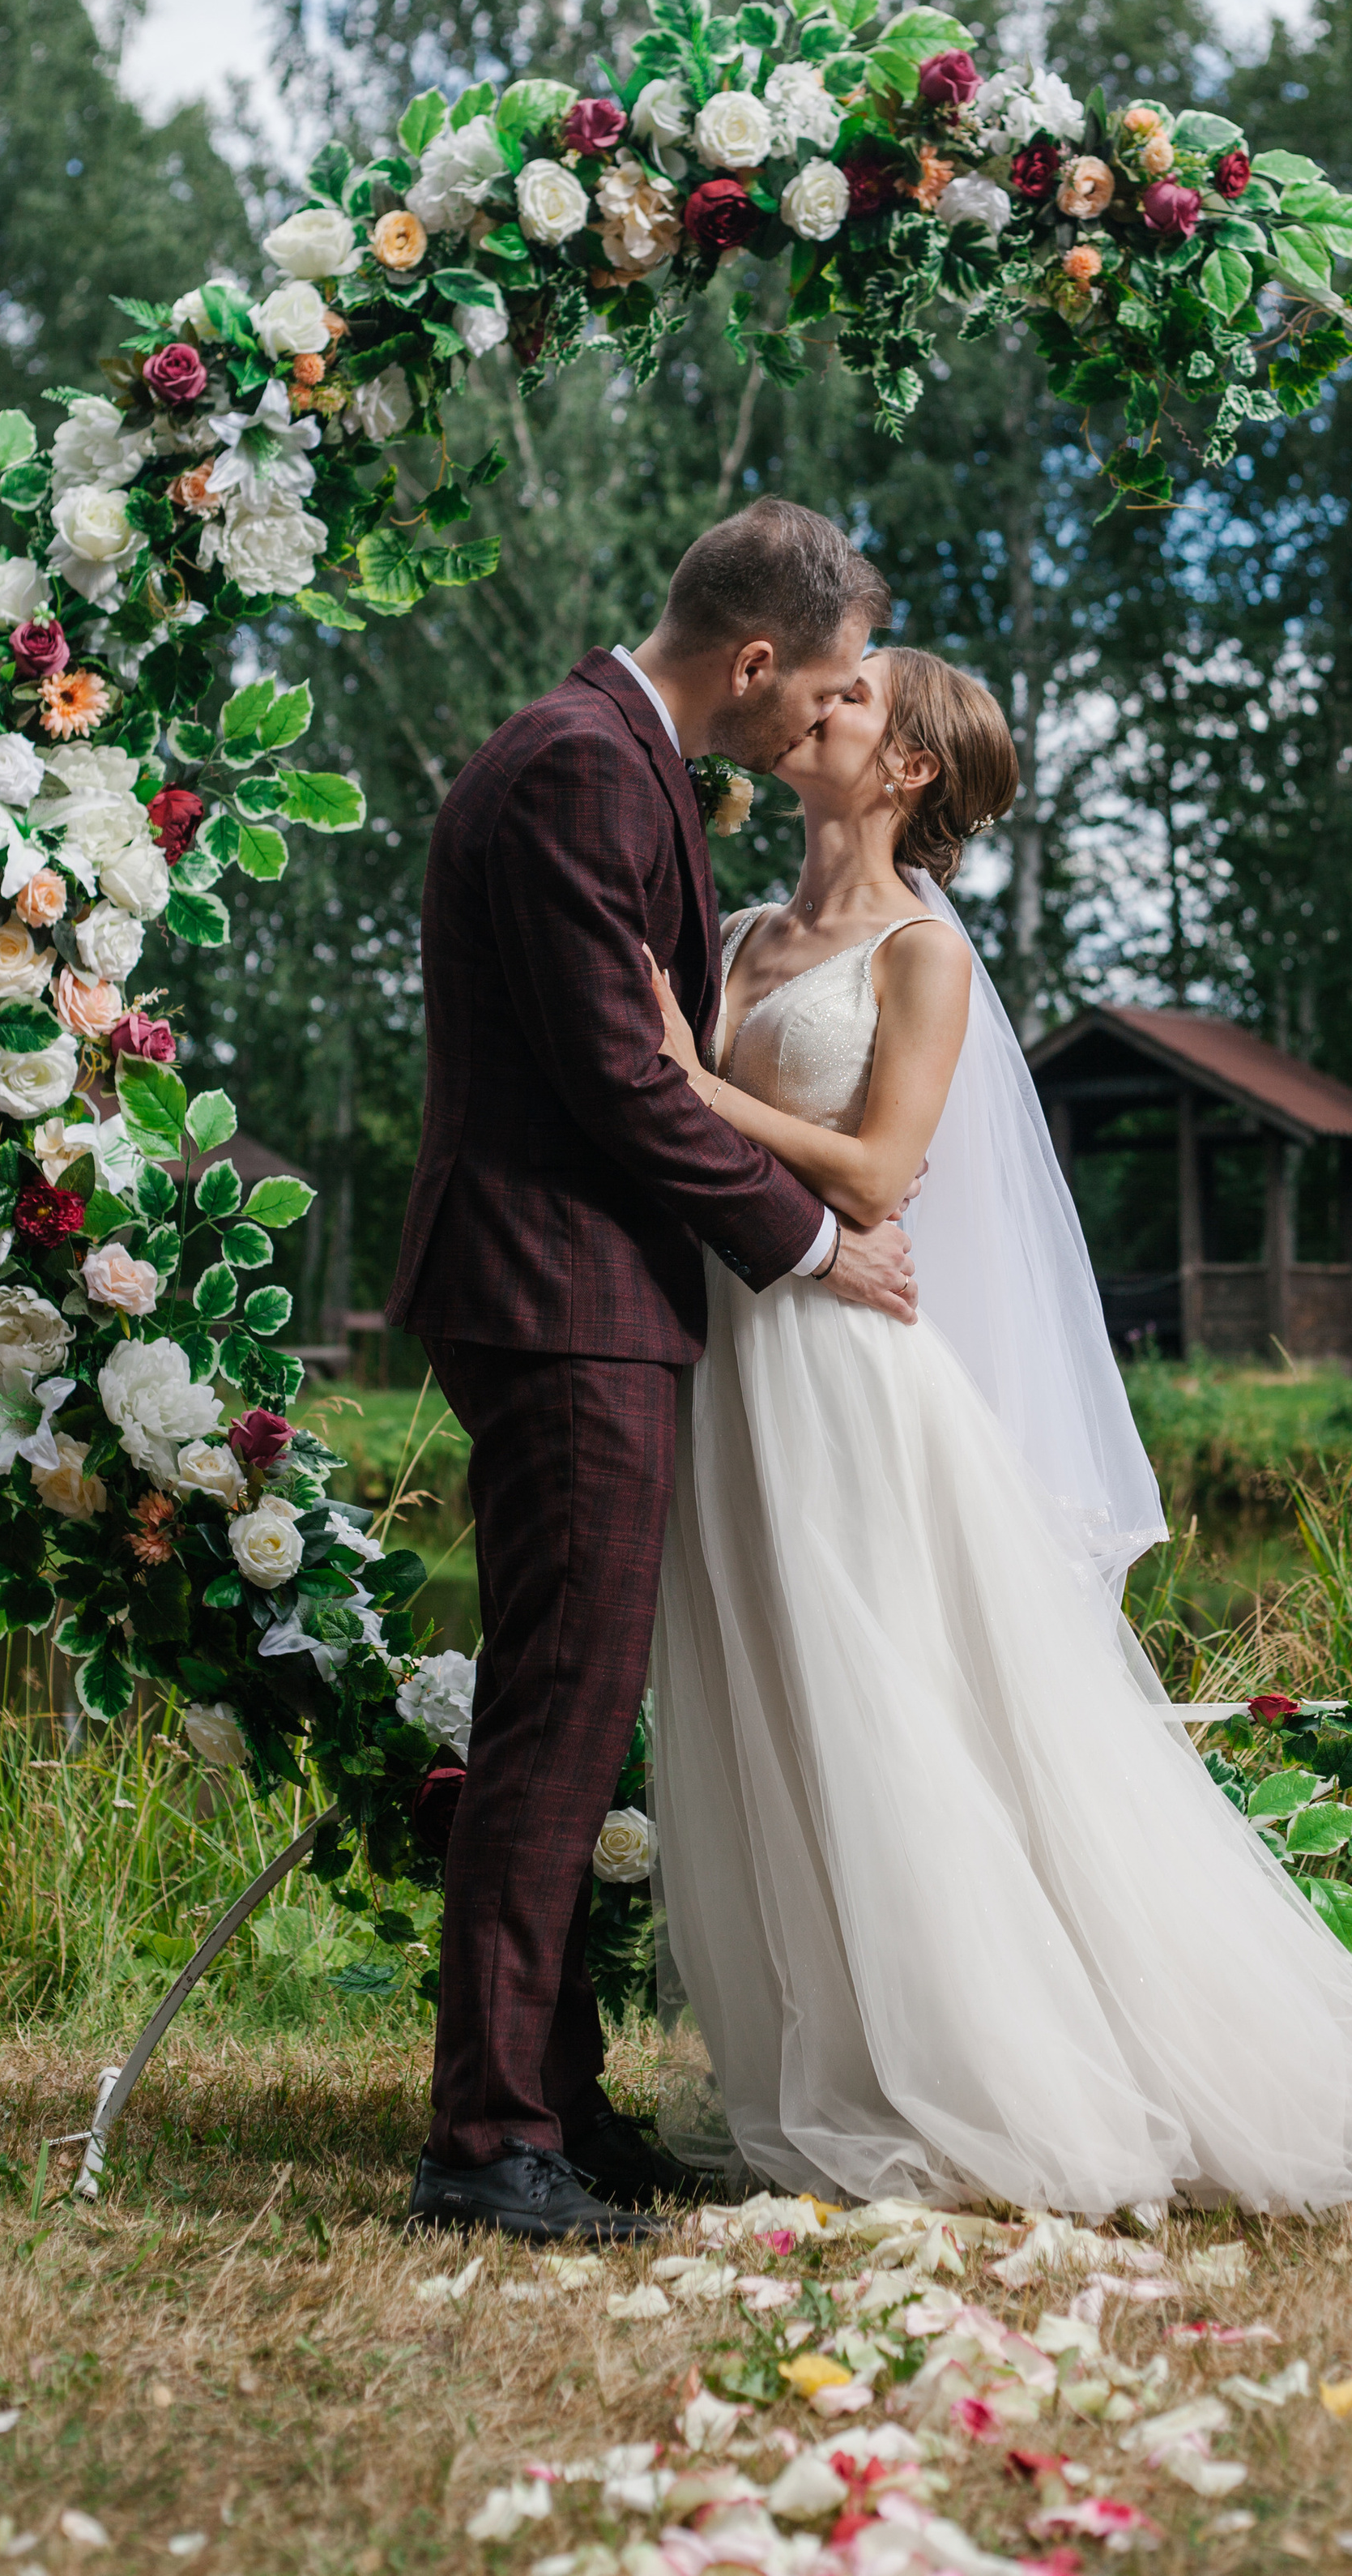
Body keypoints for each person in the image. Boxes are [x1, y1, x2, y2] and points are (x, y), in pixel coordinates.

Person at [645, 647, 1352, 2220]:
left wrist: (688, 1082)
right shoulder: (736, 935)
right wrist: (674, 1075)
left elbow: (879, 1177)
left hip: (847, 1375)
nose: (822, 700)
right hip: (728, 1364)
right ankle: (846, 2056)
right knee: (780, 1719)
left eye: (858, 697)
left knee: (905, 1717)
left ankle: (1010, 2071)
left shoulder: (919, 957)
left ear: (908, 775)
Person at [385, 498, 921, 2247]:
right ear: (755, 659)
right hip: (559, 1300)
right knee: (554, 1721)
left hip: (580, 1300)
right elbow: (627, 1085)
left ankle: (552, 2102)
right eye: (826, 682)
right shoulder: (581, 771)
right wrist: (812, 1245)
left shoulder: (608, 760)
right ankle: (487, 2148)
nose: (822, 718)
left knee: (564, 1706)